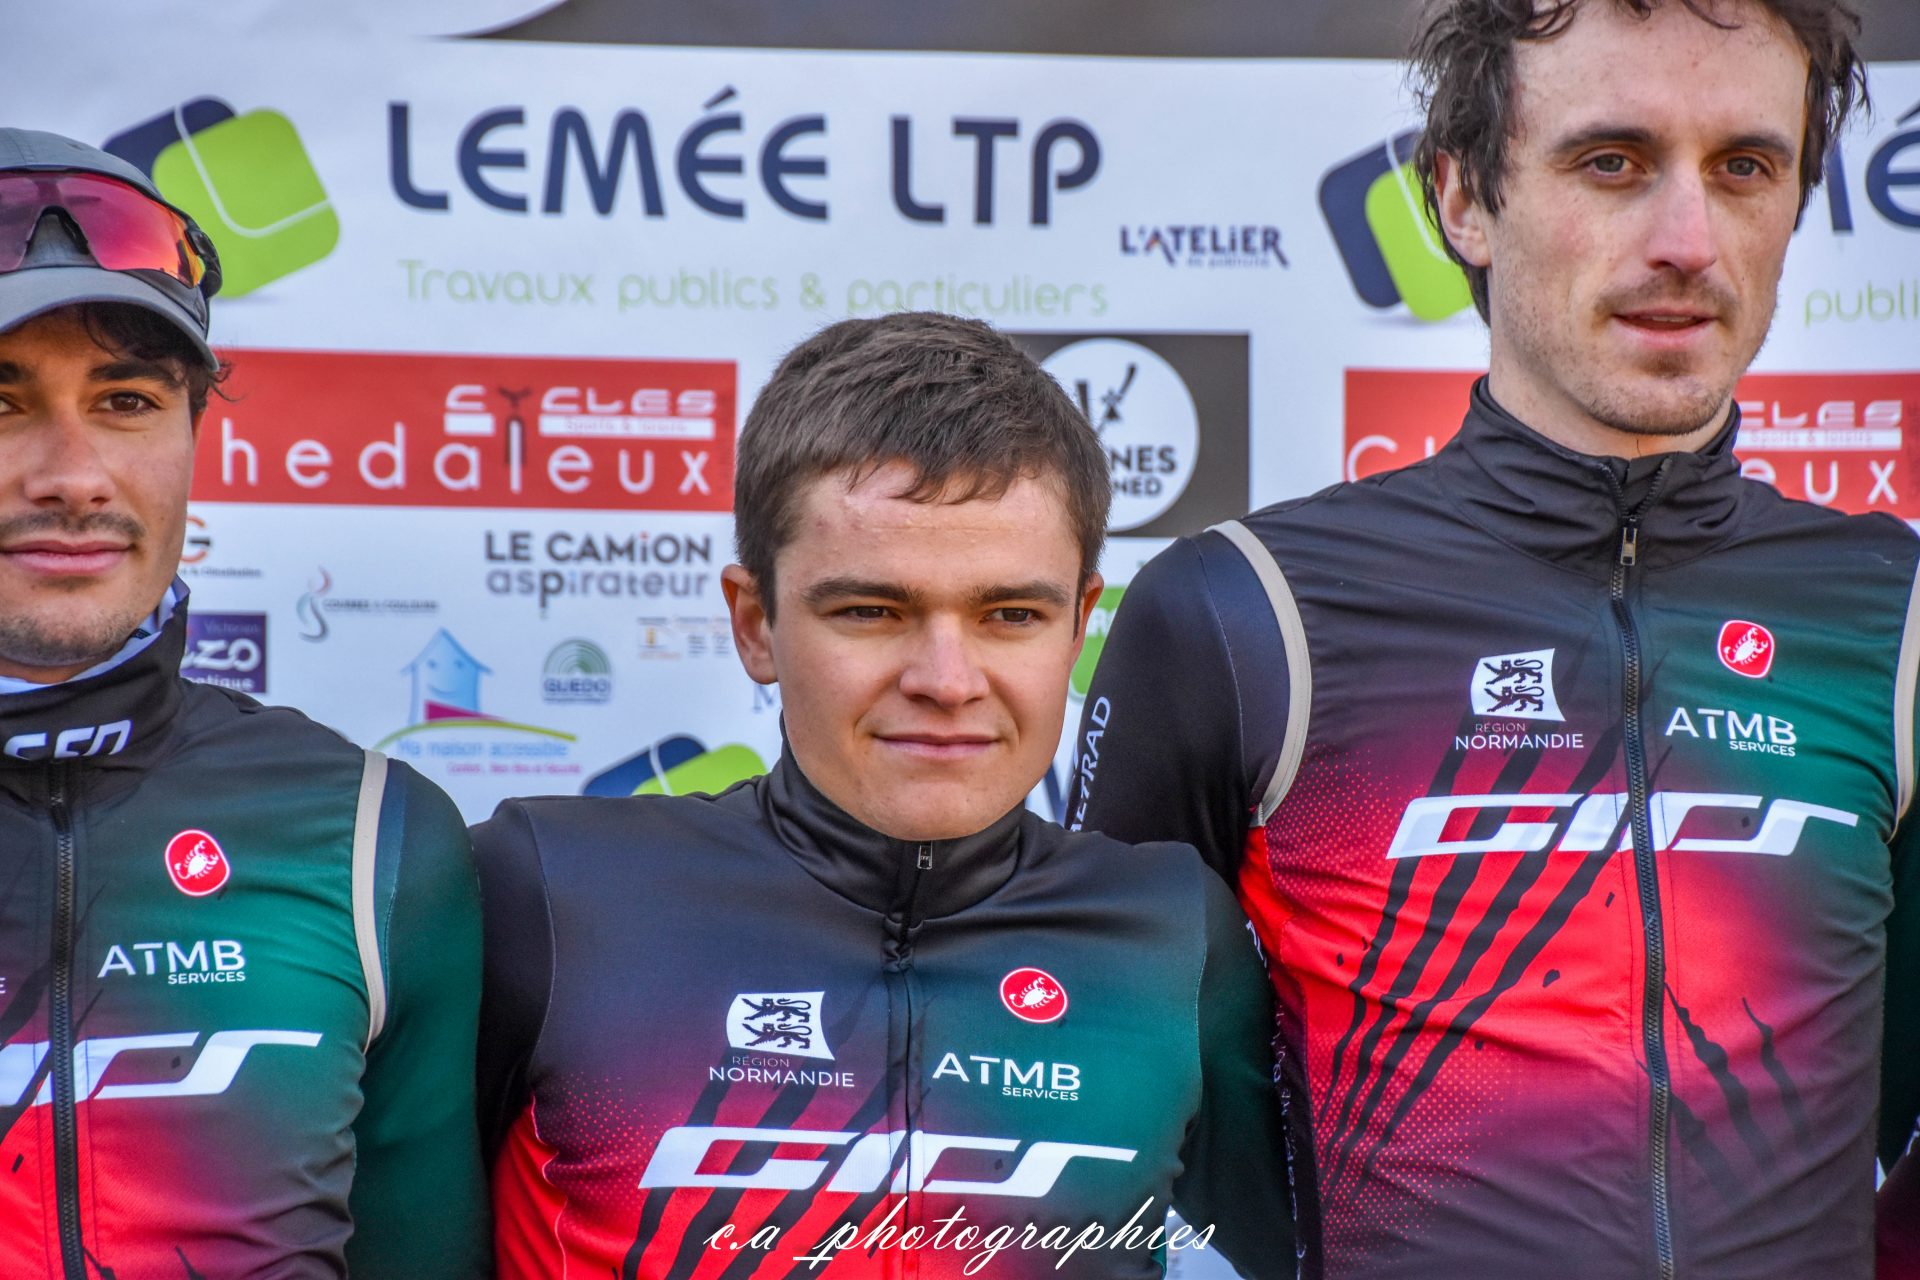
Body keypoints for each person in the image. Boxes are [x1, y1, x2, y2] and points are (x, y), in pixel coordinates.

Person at [1069, 2, 1920, 1277]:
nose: (1688, 241)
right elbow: (1107, 1069)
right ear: (1462, 198)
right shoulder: (1243, 612)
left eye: (1746, 166)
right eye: (1613, 162)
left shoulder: (1896, 615)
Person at [472, 312, 1294, 1278]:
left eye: (1010, 615)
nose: (947, 680)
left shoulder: (1176, 935)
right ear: (756, 623)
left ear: (1078, 627)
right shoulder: (546, 894)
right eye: (871, 610)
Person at [0, 128, 488, 1277]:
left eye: (127, 400)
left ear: (193, 438)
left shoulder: (374, 836)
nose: (74, 476)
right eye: (1, 402)